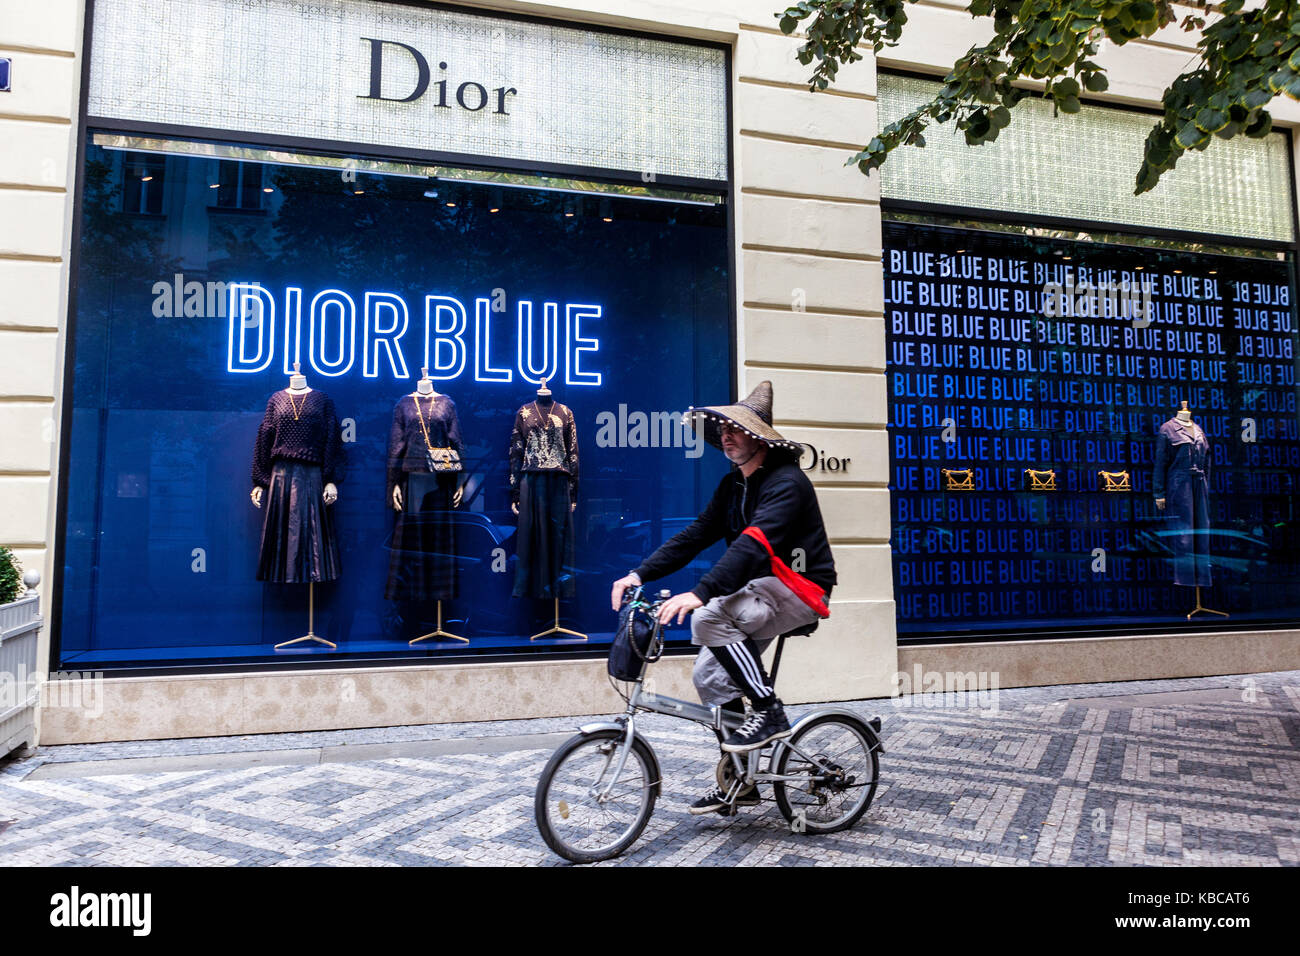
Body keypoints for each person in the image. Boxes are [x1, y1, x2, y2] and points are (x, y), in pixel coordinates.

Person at [610, 381, 836, 814]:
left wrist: (701, 592)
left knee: (707, 619)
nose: (727, 437)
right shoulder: (733, 486)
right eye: (722, 432)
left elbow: (752, 544)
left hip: (799, 587)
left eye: (736, 429)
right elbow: (694, 536)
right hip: (758, 592)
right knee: (710, 679)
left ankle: (768, 710)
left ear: (759, 435)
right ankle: (742, 780)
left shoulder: (787, 482)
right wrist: (637, 574)